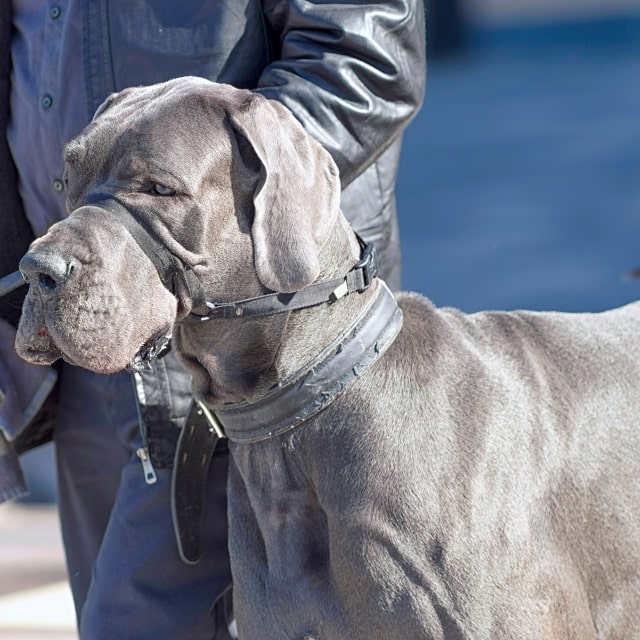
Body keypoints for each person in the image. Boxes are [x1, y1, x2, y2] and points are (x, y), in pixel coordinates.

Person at [0, 1, 426, 638]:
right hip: (73, 323)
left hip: (248, 345)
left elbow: (363, 58)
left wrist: (215, 220)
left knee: (133, 621)